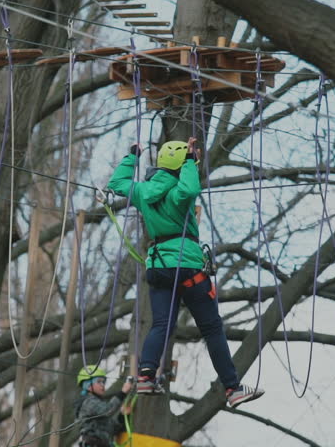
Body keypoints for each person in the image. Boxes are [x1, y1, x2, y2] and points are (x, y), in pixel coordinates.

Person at [107, 137, 263, 408]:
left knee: (161, 325)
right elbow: (190, 190)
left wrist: (132, 156)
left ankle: (145, 376)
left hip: (158, 266)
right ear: (182, 166)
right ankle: (232, 388)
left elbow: (116, 185)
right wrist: (191, 161)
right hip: (186, 265)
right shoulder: (180, 192)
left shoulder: (144, 191)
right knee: (212, 328)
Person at [73, 365, 133, 447]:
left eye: (104, 382)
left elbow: (114, 429)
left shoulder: (99, 407)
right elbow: (108, 410)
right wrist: (122, 393)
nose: (103, 385)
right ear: (88, 385)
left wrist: (123, 415)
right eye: (99, 382)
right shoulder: (88, 402)